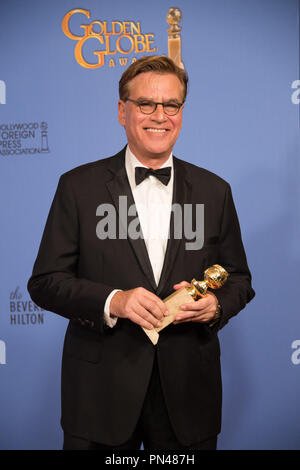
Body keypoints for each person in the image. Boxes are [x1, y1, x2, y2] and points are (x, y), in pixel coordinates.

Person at [28, 55, 255, 450]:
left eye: (171, 105)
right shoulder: (78, 188)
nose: (160, 116)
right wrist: (114, 301)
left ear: (182, 112)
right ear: (122, 111)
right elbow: (46, 283)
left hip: (188, 398)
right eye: (146, 104)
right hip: (99, 397)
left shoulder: (214, 190)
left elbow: (238, 278)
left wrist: (215, 306)